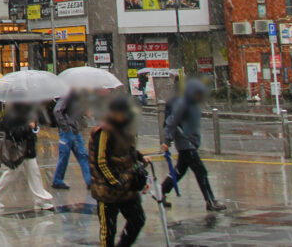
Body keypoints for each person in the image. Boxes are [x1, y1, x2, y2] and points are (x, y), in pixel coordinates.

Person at [89, 96, 148, 247]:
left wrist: (140, 158)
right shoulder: (103, 132)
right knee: (108, 231)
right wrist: (115, 182)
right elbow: (101, 161)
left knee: (137, 219)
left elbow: (129, 150)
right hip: (107, 190)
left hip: (127, 187)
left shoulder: (125, 129)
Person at [161, 78, 226, 211]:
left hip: (190, 143)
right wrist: (167, 141)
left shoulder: (190, 104)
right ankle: (210, 201)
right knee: (201, 172)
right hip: (186, 144)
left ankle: (161, 192)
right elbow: (171, 122)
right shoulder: (183, 104)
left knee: (179, 171)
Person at [0, 103, 54, 210]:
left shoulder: (27, 114)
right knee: (14, 174)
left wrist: (34, 127)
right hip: (19, 150)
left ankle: (40, 200)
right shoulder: (12, 116)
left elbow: (33, 130)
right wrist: (28, 126)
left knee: (32, 174)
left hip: (27, 150)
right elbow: (13, 133)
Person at [51, 91, 92, 190]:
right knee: (65, 156)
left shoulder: (77, 97)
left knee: (83, 155)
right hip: (68, 132)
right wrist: (65, 127)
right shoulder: (68, 96)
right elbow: (57, 111)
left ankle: (89, 181)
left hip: (74, 131)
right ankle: (57, 180)